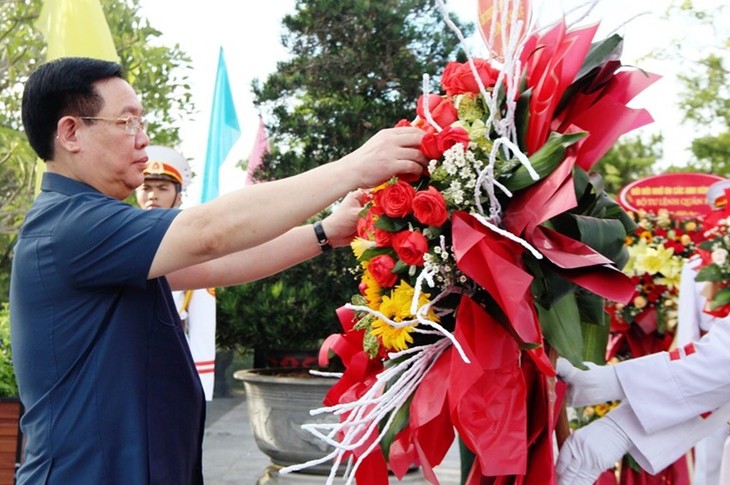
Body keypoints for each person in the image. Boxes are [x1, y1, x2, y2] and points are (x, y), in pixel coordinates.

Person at [9, 56, 427, 484]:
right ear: (71, 132)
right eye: (127, 123)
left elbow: (216, 261)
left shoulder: (90, 225)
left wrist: (324, 233)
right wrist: (354, 167)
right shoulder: (68, 227)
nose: (144, 140)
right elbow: (209, 232)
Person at [135, 145, 217, 401]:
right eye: (146, 187)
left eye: (162, 188)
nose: (152, 196)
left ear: (178, 196)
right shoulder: (119, 235)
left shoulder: (191, 247)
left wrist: (200, 392)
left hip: (168, 366)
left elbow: (202, 325)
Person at [673, 179, 730, 485]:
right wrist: (689, 382)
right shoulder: (696, 266)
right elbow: (688, 331)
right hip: (710, 366)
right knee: (709, 451)